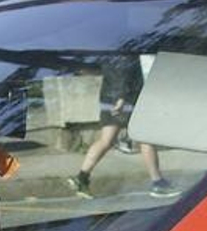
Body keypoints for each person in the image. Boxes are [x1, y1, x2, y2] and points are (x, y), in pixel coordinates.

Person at [67, 53, 175, 199]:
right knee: (145, 139)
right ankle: (158, 182)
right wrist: (122, 97)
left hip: (108, 98)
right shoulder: (127, 50)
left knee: (106, 140)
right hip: (126, 100)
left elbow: (98, 69)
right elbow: (123, 71)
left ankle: (82, 177)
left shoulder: (110, 48)